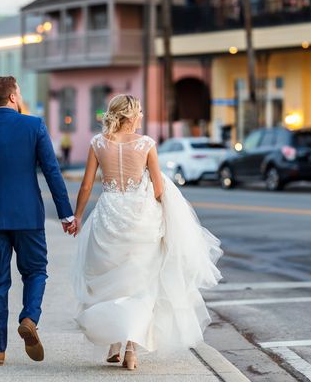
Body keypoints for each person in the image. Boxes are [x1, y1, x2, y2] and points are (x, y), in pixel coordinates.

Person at [70, 94, 222, 370]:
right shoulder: (146, 144)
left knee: (110, 282)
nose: (141, 117)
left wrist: (78, 216)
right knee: (140, 285)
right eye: (138, 112)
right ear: (130, 116)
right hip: (140, 217)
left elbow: (86, 186)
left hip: (108, 215)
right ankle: (131, 351)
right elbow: (158, 188)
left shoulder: (97, 144)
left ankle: (114, 342)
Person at [0, 76, 76, 367]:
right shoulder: (34, 126)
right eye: (18, 92)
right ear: (12, 97)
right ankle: (29, 317)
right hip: (27, 216)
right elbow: (51, 171)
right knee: (35, 272)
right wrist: (65, 213)